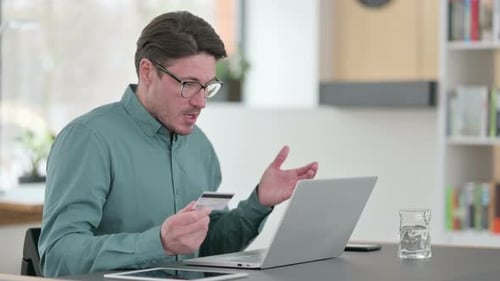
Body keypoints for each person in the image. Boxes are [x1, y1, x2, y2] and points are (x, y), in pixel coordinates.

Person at [38, 11, 318, 277]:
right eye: (188, 84)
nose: (201, 101)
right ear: (147, 71)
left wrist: (259, 202)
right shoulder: (89, 139)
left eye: (207, 86)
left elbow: (208, 247)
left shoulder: (199, 146)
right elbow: (58, 257)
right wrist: (158, 241)